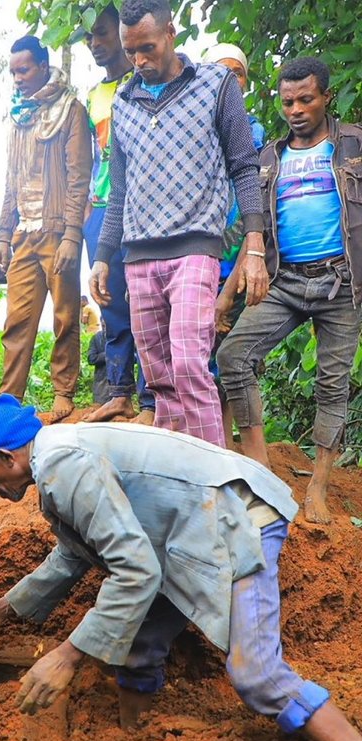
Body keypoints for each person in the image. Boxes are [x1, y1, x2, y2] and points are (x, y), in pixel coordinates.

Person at [0, 395, 362, 741]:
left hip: (239, 519)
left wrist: (67, 656)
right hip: (187, 533)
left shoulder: (63, 465)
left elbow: (136, 571)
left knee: (256, 674)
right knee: (136, 646)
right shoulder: (55, 459)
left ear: (7, 457)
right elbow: (74, 554)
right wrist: (1, 610)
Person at [89, 0, 268, 446]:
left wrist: (255, 246)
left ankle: (217, 484)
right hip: (139, 258)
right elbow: (120, 193)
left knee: (190, 364)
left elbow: (244, 167)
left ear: (171, 32)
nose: (140, 61)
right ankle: (177, 483)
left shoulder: (215, 84)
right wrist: (103, 258)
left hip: (196, 249)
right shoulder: (125, 101)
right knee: (159, 381)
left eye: (147, 48)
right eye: (131, 52)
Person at [217, 57, 362, 524]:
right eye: (287, 102)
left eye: (305, 99)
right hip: (286, 279)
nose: (296, 109)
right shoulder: (270, 156)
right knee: (233, 357)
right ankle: (257, 463)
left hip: (342, 282)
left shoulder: (355, 144)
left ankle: (319, 484)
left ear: (325, 97)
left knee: (332, 385)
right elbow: (254, 229)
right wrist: (228, 292)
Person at [0, 35, 92, 421]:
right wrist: (3, 234)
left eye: (24, 69)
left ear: (42, 65)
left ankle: (64, 392)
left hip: (57, 231)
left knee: (66, 315)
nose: (18, 78)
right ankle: (7, 399)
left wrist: (72, 235)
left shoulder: (70, 110)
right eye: (13, 71)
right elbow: (11, 179)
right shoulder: (19, 116)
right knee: (17, 320)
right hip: (24, 235)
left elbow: (78, 176)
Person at [82, 3, 155, 426]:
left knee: (144, 299)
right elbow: (96, 157)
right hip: (104, 209)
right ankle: (119, 393)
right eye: (92, 37)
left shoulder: (143, 81)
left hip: (140, 207)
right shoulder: (94, 95)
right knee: (109, 304)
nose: (96, 43)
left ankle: (150, 399)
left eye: (103, 33)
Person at [203, 43, 265, 448]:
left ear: (246, 80)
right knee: (201, 354)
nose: (229, 79)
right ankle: (213, 441)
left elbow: (254, 199)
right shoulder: (197, 127)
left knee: (237, 358)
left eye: (236, 73)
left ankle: (234, 442)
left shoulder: (257, 134)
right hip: (201, 256)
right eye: (220, 71)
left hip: (240, 258)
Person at [87, 321, 111, 404]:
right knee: (100, 407)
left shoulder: (123, 337)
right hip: (101, 383)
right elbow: (91, 359)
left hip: (119, 383)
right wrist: (110, 353)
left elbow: (135, 357)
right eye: (103, 325)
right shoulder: (96, 338)